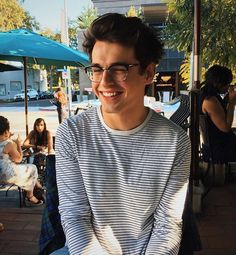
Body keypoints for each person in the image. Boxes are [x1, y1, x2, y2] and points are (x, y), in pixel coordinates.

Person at [55, 13, 191, 255]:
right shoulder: (72, 133)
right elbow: (75, 217)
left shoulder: (175, 142)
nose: (104, 82)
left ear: (148, 73)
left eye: (119, 69)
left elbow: (167, 224)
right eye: (97, 69)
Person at [0, 116, 43, 206]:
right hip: (7, 176)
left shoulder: (7, 142)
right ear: (6, 131)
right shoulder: (8, 144)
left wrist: (9, 138)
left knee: (29, 170)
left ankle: (37, 185)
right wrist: (18, 144)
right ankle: (30, 196)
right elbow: (19, 159)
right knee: (32, 168)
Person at [199, 64, 236, 161]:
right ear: (218, 83)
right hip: (221, 149)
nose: (228, 86)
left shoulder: (206, 95)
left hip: (219, 145)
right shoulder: (210, 100)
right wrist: (232, 102)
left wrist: (227, 101)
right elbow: (225, 127)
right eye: (227, 83)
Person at [23, 118, 54, 186]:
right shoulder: (33, 132)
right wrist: (36, 146)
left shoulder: (47, 133)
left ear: (44, 125)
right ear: (35, 126)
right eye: (37, 125)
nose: (39, 127)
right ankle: (35, 181)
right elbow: (24, 144)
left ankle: (39, 181)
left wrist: (49, 156)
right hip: (35, 154)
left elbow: (50, 148)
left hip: (44, 154)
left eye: (41, 125)